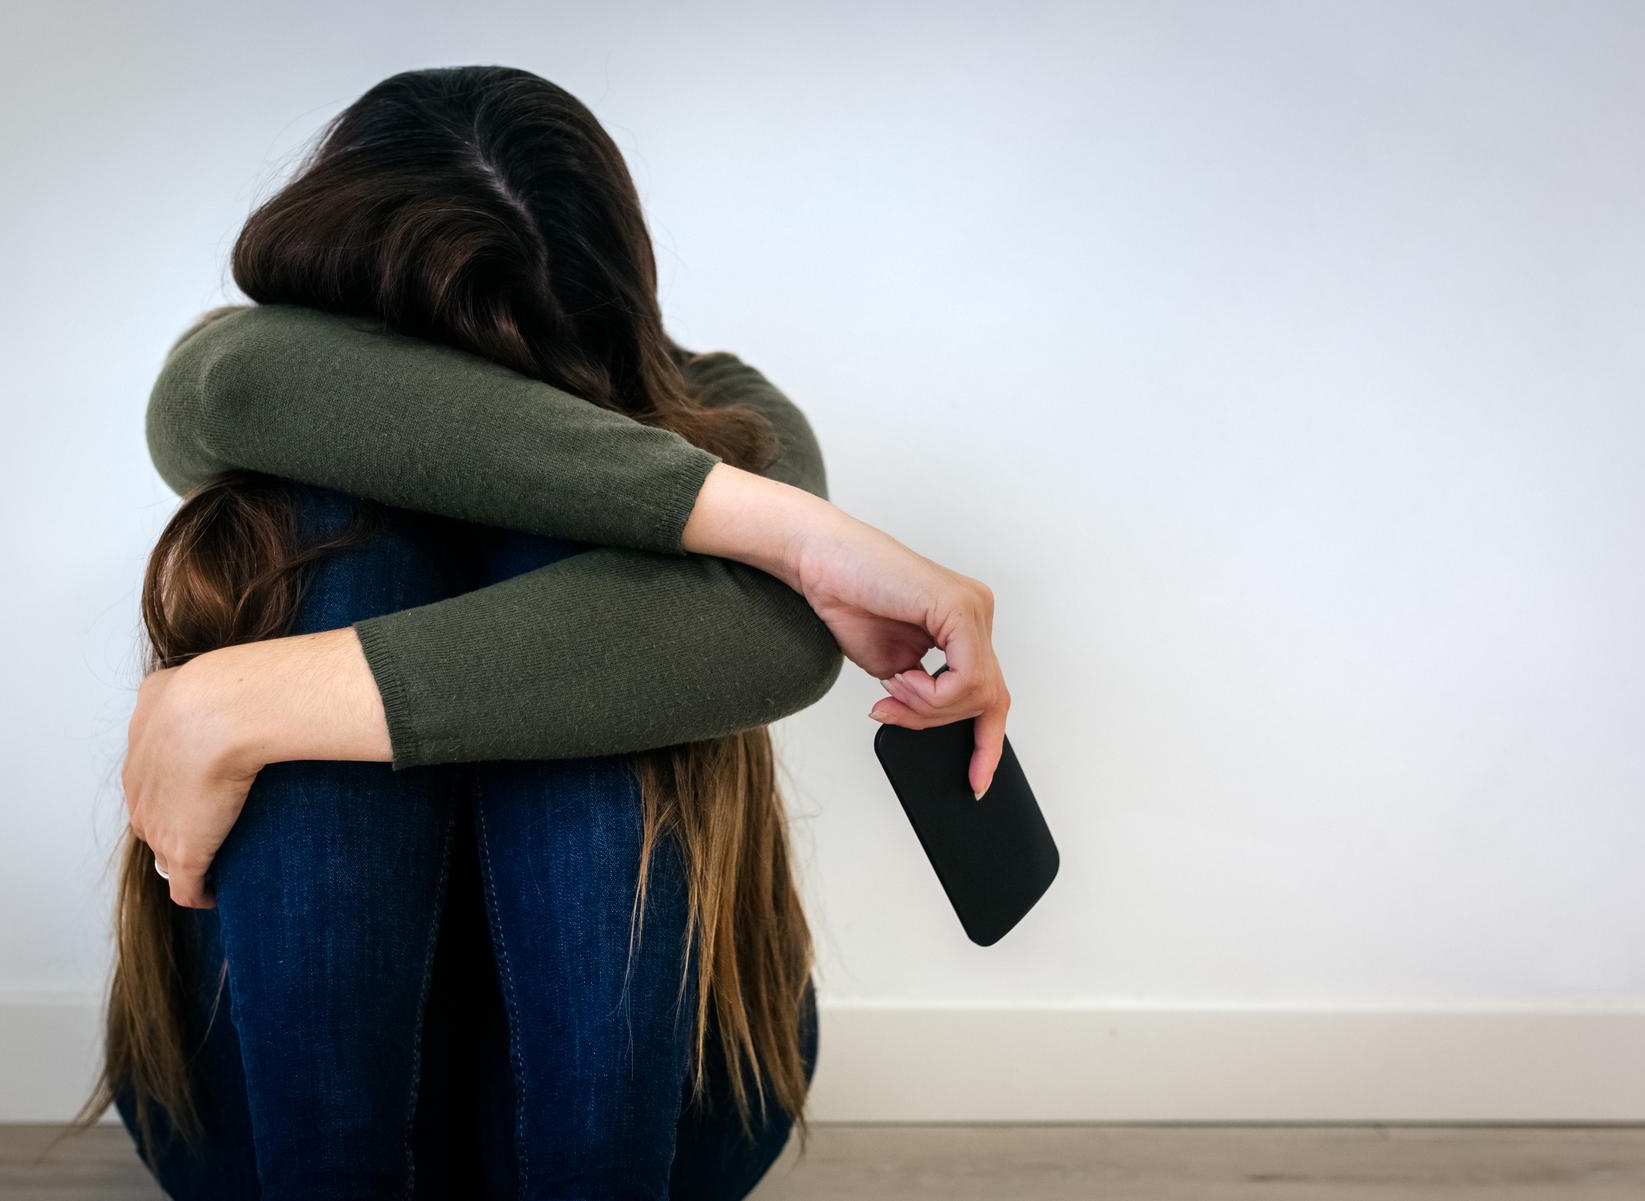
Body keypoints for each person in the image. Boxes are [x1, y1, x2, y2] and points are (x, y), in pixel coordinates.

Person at [78, 66, 1010, 1200]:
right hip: (261, 1125)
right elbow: (231, 387)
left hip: (667, 1119)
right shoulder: (250, 373)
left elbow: (775, 639)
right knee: (329, 529)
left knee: (587, 581)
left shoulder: (725, 410)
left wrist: (247, 700)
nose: (485, 392)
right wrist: (784, 530)